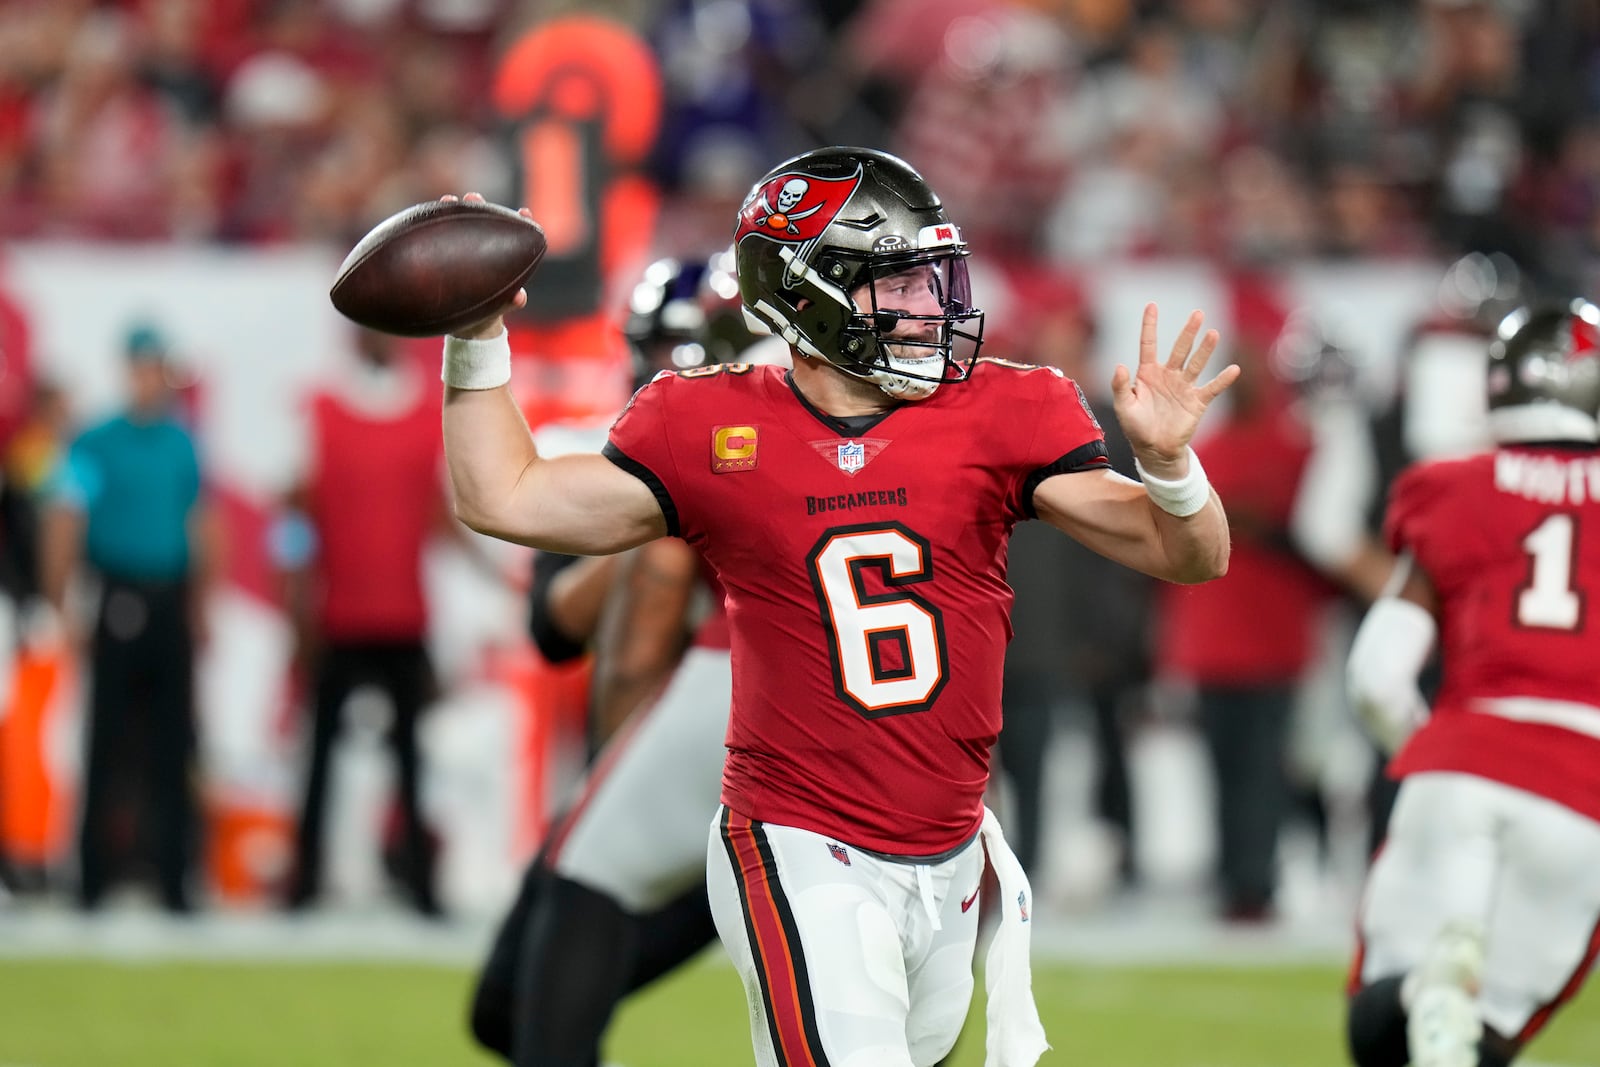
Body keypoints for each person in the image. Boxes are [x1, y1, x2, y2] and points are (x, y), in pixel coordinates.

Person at [439, 145, 1238, 1067]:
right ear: (806, 294)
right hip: (798, 836)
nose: (929, 306)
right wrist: (476, 337)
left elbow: (1192, 554)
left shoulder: (1008, 409)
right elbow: (507, 497)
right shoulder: (709, 424)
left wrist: (1172, 467)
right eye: (895, 284)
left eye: (933, 278)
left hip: (950, 851)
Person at [469, 257, 753, 1066]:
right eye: (658, 349)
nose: (670, 368)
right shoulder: (610, 457)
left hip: (734, 749)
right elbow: (552, 627)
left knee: (553, 996)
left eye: (688, 348)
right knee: (506, 1008)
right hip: (648, 759)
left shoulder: (757, 442)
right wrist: (651, 520)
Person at [1344, 300, 1600, 1067]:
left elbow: (1376, 679)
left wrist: (1443, 752)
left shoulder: (1453, 486)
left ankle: (1428, 992)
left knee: (1381, 1027)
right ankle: (1449, 1008)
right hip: (1584, 785)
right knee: (1485, 1044)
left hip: (1463, 757)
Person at [42, 321, 214, 914]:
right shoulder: (94, 443)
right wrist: (61, 602)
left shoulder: (181, 442)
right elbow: (65, 522)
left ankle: (174, 880)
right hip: (116, 595)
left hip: (168, 596)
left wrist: (200, 605)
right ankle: (92, 879)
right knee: (107, 741)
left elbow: (200, 523)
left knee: (173, 745)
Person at [279, 327, 445, 918]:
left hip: (405, 615)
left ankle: (422, 885)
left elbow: (443, 520)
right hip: (339, 615)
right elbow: (295, 519)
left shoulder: (429, 412)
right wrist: (296, 605)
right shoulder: (320, 411)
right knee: (319, 757)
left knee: (412, 761)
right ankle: (304, 883)